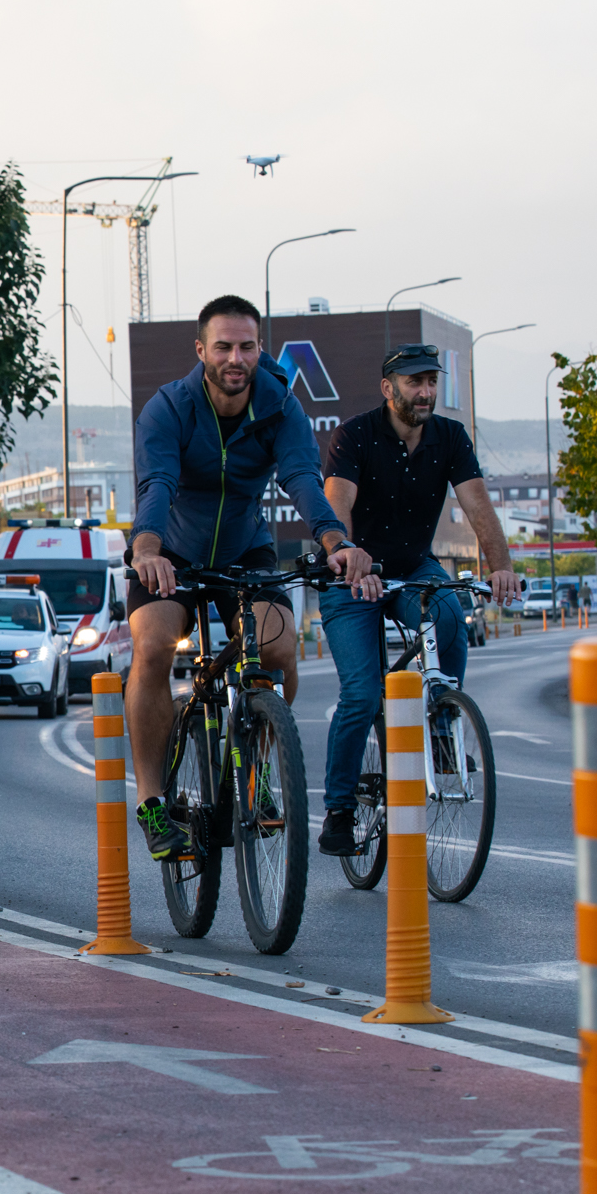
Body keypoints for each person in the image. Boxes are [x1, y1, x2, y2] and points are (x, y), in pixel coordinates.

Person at [126, 294, 369, 861]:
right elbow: (156, 485)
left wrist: (336, 541)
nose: (236, 358)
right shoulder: (169, 408)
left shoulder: (280, 406)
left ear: (260, 349)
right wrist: (146, 548)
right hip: (172, 553)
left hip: (246, 551)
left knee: (280, 650)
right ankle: (154, 803)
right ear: (201, 351)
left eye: (247, 346)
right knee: (155, 644)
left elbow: (304, 479)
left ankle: (256, 775)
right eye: (224, 347)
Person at [316, 344, 523, 855]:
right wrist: (344, 552)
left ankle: (442, 732)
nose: (426, 391)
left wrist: (502, 567)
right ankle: (340, 810)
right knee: (363, 694)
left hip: (412, 566)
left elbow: (478, 507)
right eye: (414, 382)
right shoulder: (356, 435)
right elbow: (335, 505)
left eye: (431, 381)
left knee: (451, 620)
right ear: (389, 389)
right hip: (352, 573)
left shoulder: (449, 437)